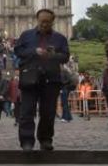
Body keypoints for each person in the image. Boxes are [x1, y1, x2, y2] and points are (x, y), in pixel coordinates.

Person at [15, 9, 69, 151]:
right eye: (42, 21)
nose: (44, 24)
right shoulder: (26, 36)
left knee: (48, 112)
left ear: (52, 21)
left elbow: (65, 57)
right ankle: (26, 141)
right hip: (30, 78)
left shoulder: (60, 38)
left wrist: (53, 55)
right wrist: (34, 52)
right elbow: (18, 51)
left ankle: (45, 139)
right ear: (37, 20)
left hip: (51, 79)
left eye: (47, 22)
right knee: (26, 111)